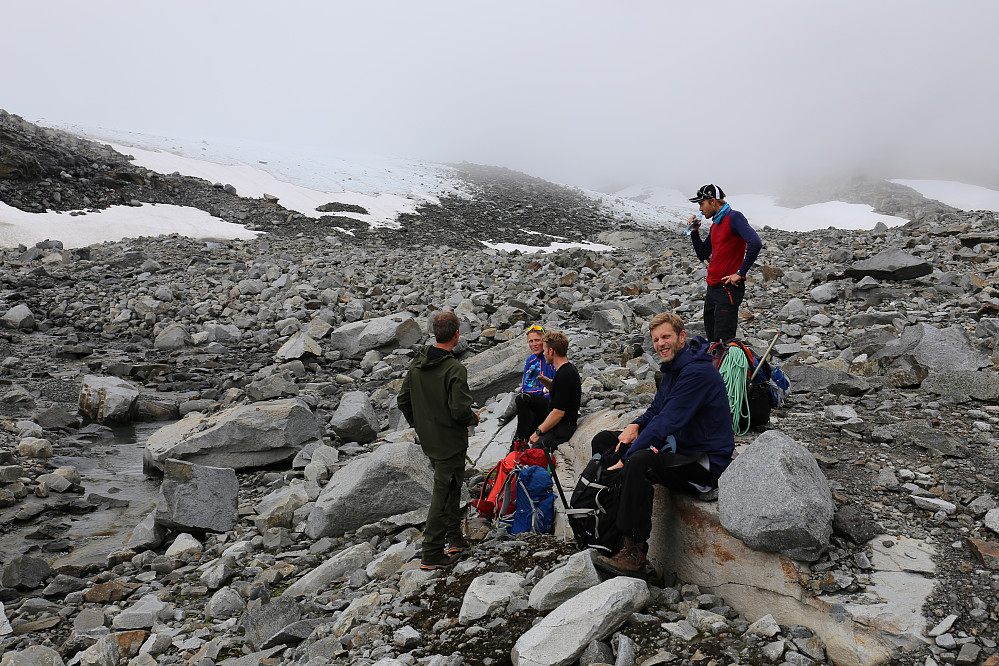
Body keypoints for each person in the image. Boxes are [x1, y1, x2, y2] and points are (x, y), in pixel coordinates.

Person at [591, 312, 734, 576]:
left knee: (638, 461)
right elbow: (656, 410)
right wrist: (634, 425)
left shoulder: (697, 373)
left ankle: (634, 553)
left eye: (666, 337)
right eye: (656, 339)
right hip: (680, 450)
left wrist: (630, 454)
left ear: (682, 337)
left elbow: (667, 421)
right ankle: (608, 530)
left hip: (705, 462)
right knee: (605, 440)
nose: (660, 344)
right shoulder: (673, 368)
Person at [398, 311, 479, 570]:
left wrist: (421, 425)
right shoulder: (454, 369)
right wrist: (473, 418)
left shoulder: (417, 363)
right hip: (451, 442)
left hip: (431, 440)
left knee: (453, 485)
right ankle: (432, 552)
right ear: (456, 335)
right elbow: (459, 410)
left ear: (433, 334)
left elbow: (403, 401)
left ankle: (455, 539)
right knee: (443, 493)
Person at [686, 184, 762, 343]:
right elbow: (703, 253)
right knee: (713, 342)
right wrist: (694, 232)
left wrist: (740, 273)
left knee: (724, 343)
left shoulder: (734, 217)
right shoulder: (716, 224)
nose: (700, 209)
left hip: (727, 289)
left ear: (713, 201)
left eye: (702, 203)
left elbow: (755, 242)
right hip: (712, 289)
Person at [525, 330, 581, 452]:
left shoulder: (564, 375)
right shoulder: (567, 369)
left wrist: (538, 432)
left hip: (563, 427)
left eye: (545, 350)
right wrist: (541, 378)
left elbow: (558, 412)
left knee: (536, 451)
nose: (543, 353)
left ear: (551, 351)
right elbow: (558, 389)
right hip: (560, 425)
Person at [512, 325, 556, 448]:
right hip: (540, 402)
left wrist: (542, 391)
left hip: (554, 405)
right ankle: (519, 443)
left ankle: (521, 440)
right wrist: (542, 390)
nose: (534, 344)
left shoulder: (552, 357)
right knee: (522, 398)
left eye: (537, 340)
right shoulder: (532, 361)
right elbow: (526, 388)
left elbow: (559, 386)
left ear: (545, 341)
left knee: (523, 399)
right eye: (531, 341)